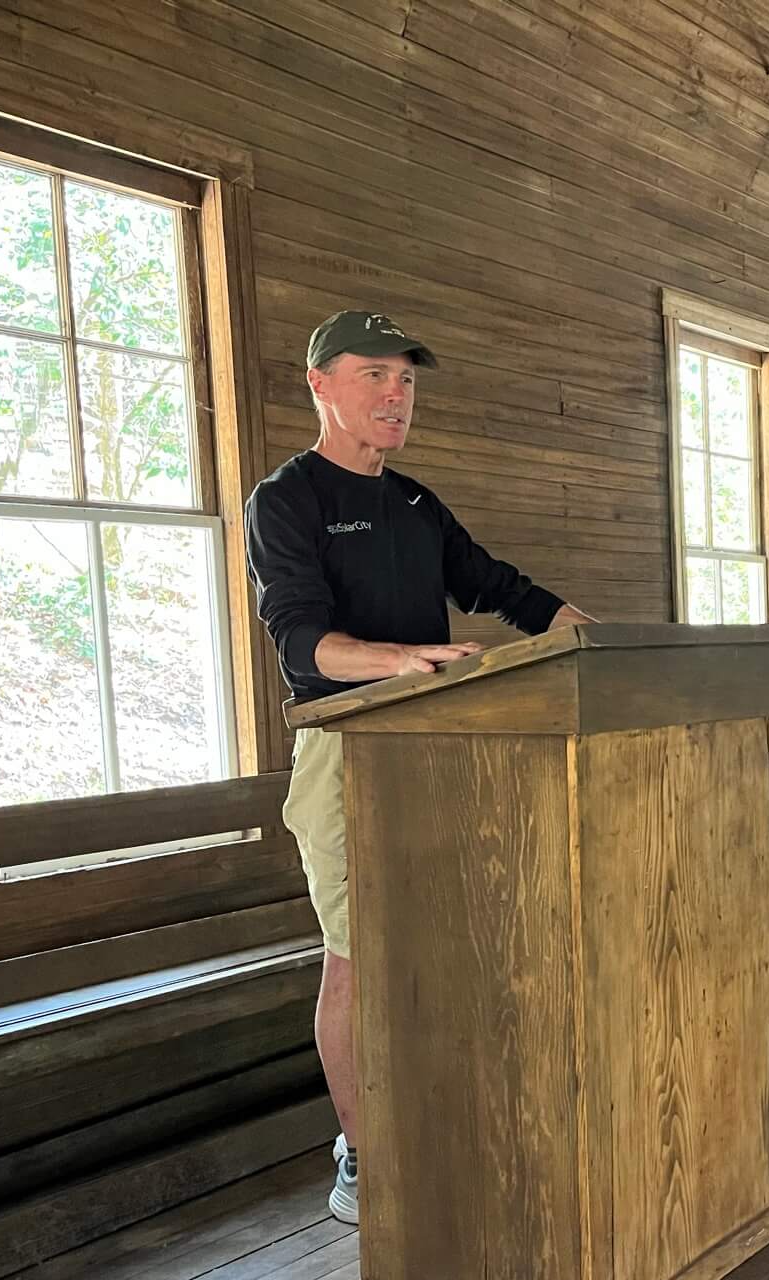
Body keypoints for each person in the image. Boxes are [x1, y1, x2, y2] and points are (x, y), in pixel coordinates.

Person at [246, 311, 593, 1223]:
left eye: (406, 380)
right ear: (320, 384)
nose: (396, 395)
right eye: (374, 376)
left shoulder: (413, 503)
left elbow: (497, 585)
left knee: (450, 954)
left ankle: (446, 1130)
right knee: (359, 958)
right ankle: (364, 1155)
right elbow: (302, 639)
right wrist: (401, 658)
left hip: (443, 753)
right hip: (347, 753)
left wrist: (581, 632)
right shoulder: (287, 501)